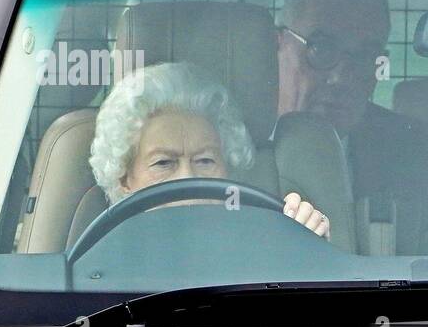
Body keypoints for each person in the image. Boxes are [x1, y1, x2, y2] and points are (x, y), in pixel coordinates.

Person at [277, 0, 428, 255]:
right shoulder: (217, 147)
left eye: (364, 57)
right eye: (321, 49)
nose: (341, 77)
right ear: (278, 44)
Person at [90, 62, 331, 238]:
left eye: (205, 161)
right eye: (163, 163)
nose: (187, 178)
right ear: (125, 179)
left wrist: (306, 245)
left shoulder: (260, 244)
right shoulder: (102, 263)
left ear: (227, 170)